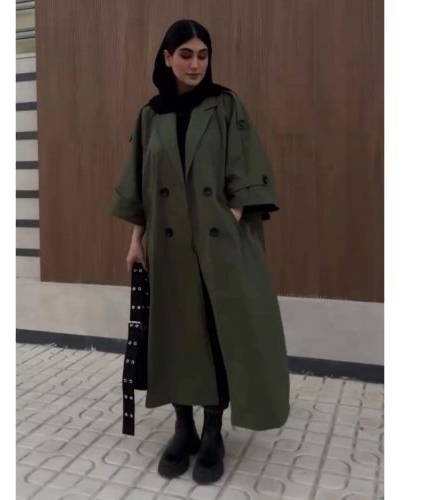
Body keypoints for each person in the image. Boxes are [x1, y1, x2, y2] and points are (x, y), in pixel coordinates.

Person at [110, 19, 290, 484]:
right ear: (167, 58)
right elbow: (140, 185)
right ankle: (183, 426)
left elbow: (246, 167)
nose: (195, 64)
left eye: (203, 55)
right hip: (168, 249)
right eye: (186, 55)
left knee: (216, 332)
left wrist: (229, 217)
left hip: (216, 247)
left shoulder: (225, 105)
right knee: (174, 334)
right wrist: (135, 240)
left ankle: (212, 431)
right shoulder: (150, 115)